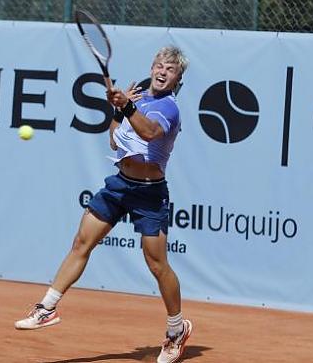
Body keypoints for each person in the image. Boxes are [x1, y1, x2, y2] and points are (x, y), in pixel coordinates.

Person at [14, 46, 192, 363]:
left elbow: (150, 133)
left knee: (156, 264)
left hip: (150, 192)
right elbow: (114, 140)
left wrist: (127, 107)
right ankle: (46, 308)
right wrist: (118, 111)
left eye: (171, 69)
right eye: (160, 65)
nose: (163, 72)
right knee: (82, 242)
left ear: (178, 78)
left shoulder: (169, 107)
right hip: (120, 184)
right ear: (152, 67)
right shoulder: (138, 96)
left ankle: (177, 330)